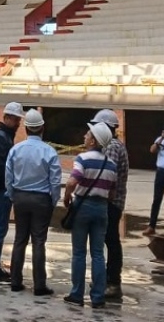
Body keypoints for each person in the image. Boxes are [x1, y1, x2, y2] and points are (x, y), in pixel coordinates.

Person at [5, 108, 61, 296]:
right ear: (42, 128)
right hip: (41, 199)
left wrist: (13, 195)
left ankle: (15, 280)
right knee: (38, 241)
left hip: (20, 197)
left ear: (26, 128)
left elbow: (8, 177)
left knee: (20, 239)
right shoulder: (49, 151)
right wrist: (53, 200)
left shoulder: (15, 150)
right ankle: (39, 285)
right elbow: (55, 181)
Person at [63, 121, 116, 309]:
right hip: (102, 209)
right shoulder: (111, 164)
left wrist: (67, 197)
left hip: (83, 207)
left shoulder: (83, 159)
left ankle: (77, 294)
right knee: (98, 254)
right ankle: (98, 297)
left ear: (93, 141)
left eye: (88, 134)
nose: (84, 136)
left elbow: (71, 182)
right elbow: (112, 193)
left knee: (79, 252)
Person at [90, 108, 129, 301]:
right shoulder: (112, 144)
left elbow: (107, 174)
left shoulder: (112, 146)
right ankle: (106, 279)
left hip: (110, 202)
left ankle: (113, 282)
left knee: (111, 241)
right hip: (111, 201)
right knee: (108, 241)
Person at [0, 101, 24, 285]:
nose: (18, 123)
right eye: (15, 119)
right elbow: (3, 167)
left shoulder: (0, 135)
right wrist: (9, 186)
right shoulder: (2, 137)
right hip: (0, 188)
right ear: (6, 118)